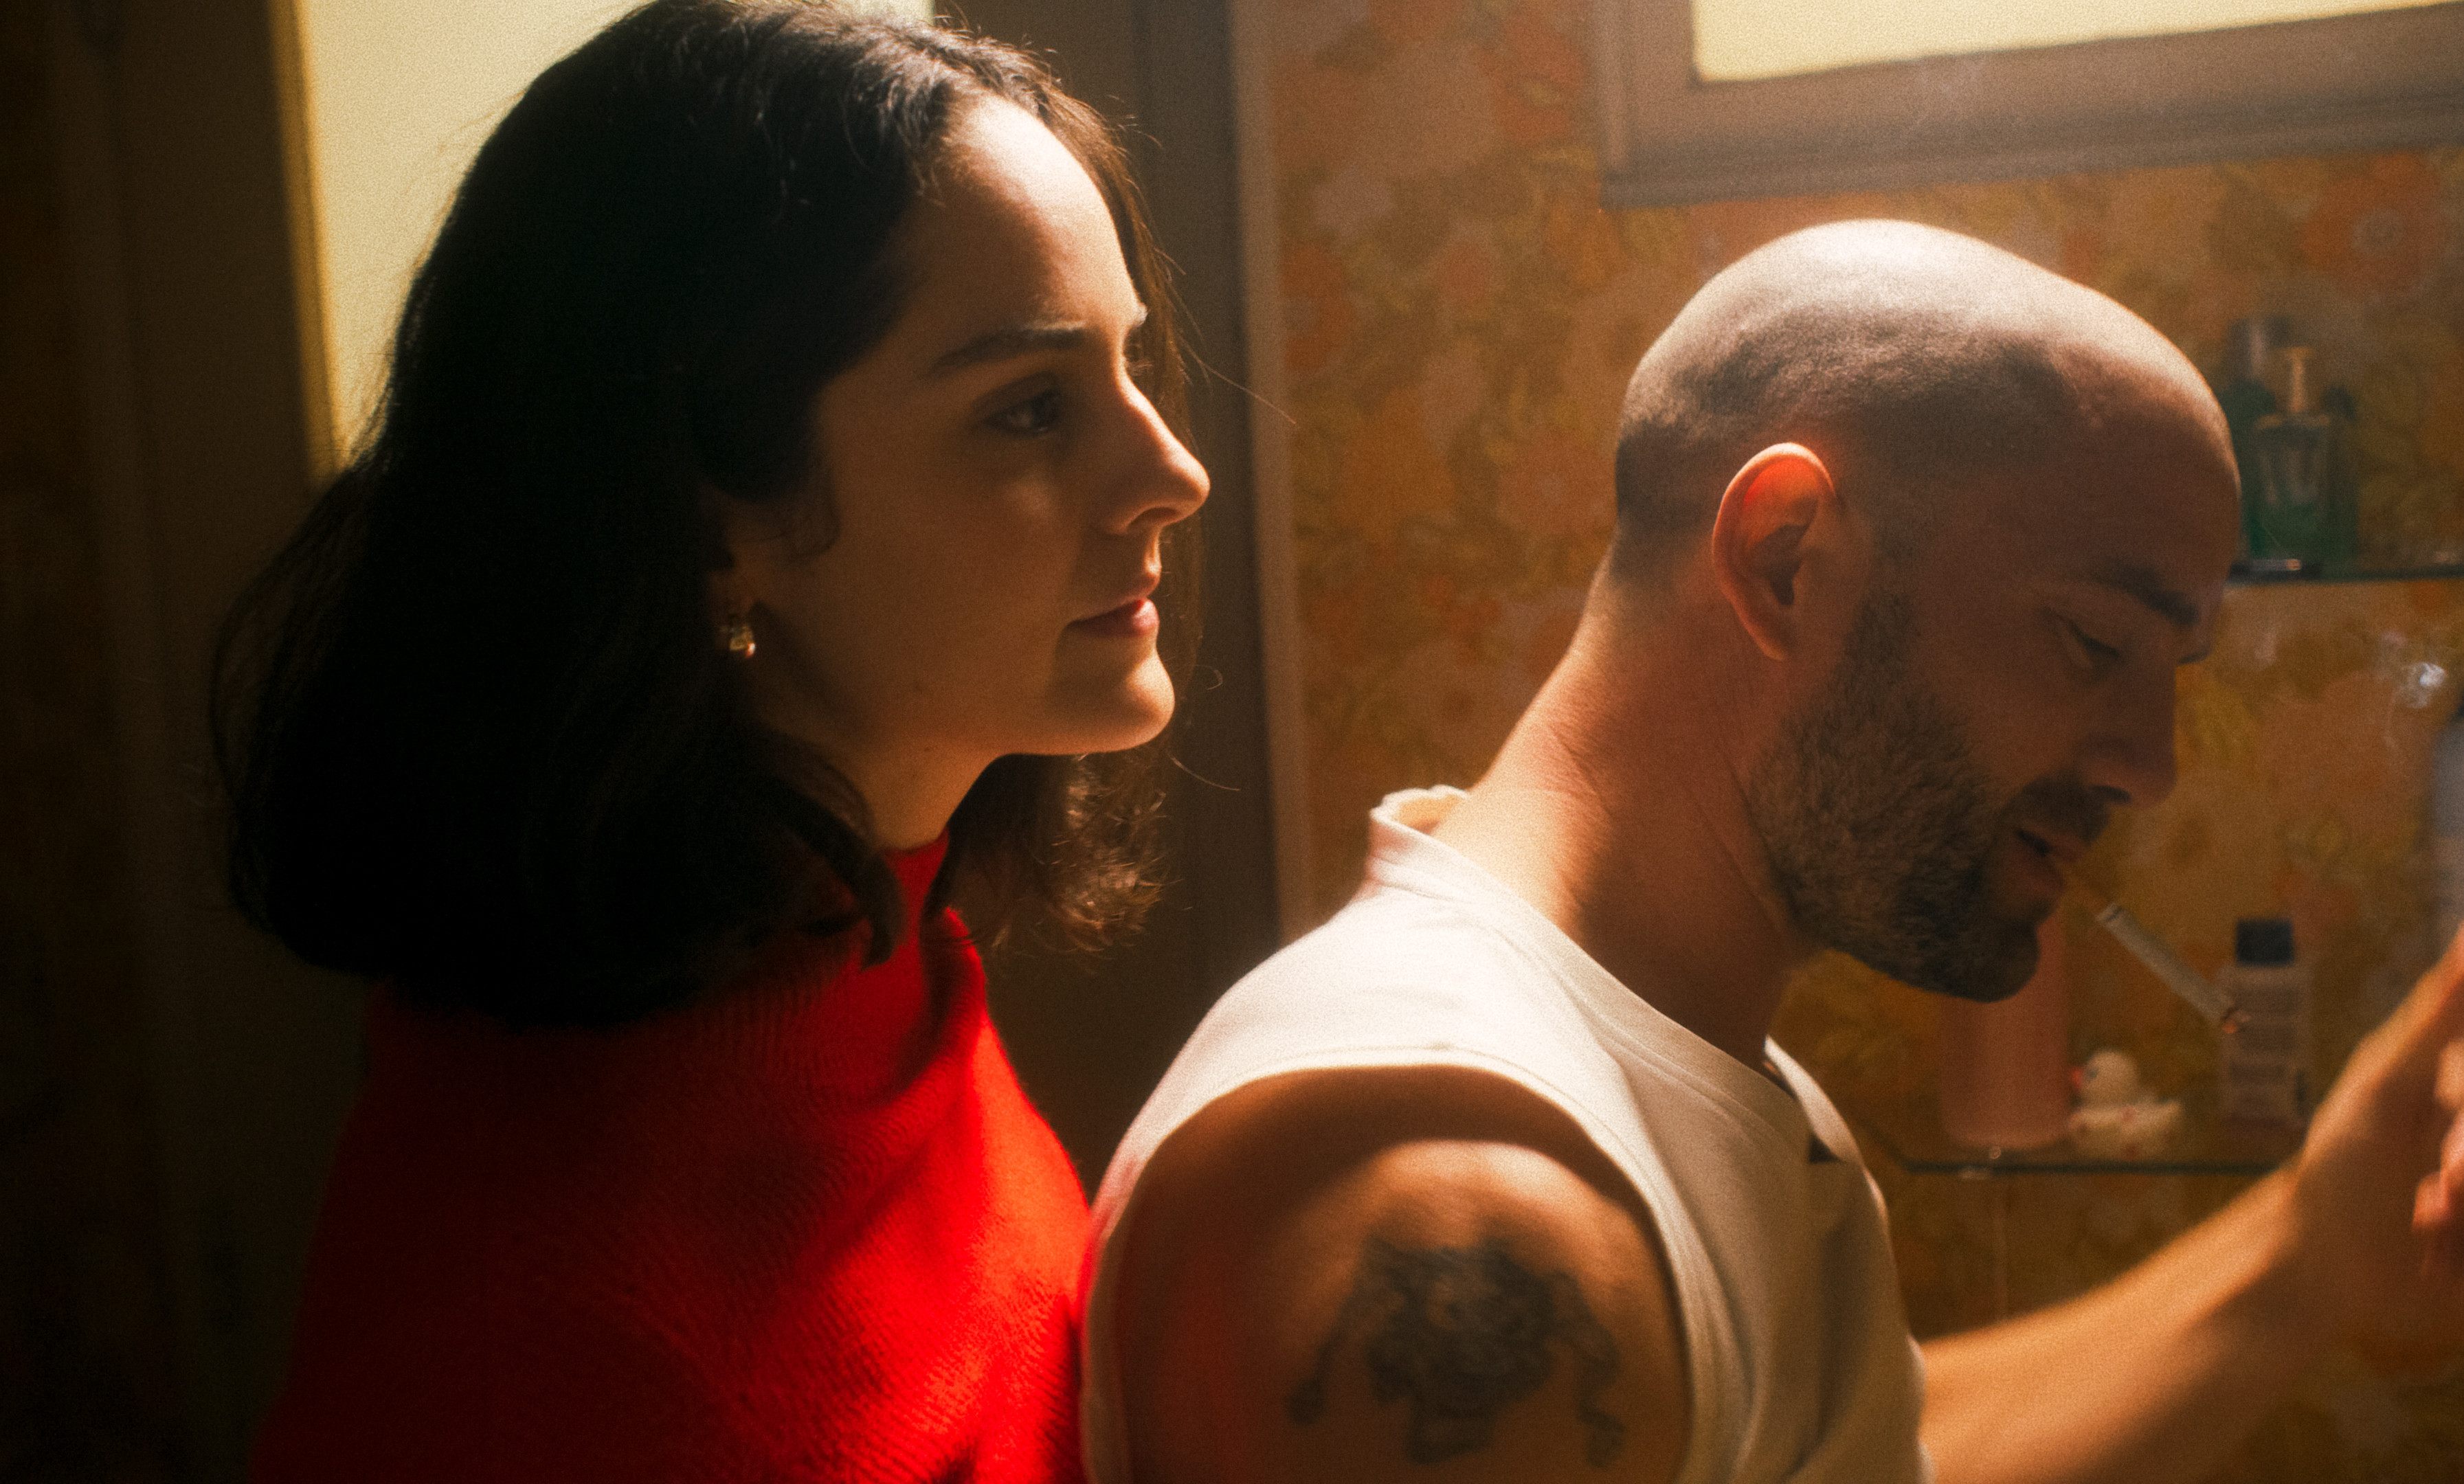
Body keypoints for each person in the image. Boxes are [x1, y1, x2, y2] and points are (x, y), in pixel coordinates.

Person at [1081, 221, 2464, 1483]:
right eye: (2093, 641)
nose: (2146, 767)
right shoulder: (1467, 1204)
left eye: (2172, 671)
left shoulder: (1653, 1063)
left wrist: (2306, 1256)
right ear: (1785, 555)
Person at [214, 3, 1207, 1479]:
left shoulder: (861, 946)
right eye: (1026, 410)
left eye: (1131, 367)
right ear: (711, 522)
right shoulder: (561, 1347)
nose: (1171, 473)